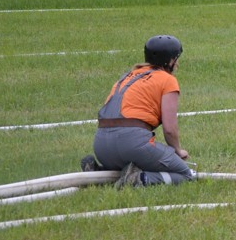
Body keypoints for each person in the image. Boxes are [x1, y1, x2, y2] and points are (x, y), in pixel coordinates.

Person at [80, 35, 195, 189]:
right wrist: (177, 151)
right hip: (131, 144)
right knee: (185, 174)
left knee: (126, 166)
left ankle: (99, 172)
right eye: (176, 59)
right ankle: (140, 179)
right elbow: (169, 129)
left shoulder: (128, 76)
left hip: (101, 145)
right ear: (170, 61)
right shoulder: (167, 80)